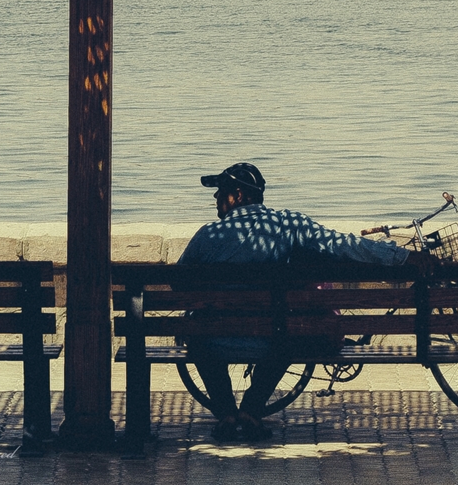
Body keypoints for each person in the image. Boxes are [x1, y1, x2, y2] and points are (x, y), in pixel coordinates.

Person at [177, 162, 432, 442]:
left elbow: (179, 284)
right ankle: (250, 410)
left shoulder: (207, 236)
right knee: (289, 328)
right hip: (273, 340)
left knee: (195, 330)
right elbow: (344, 244)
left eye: (220, 192)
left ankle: (226, 412)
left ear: (238, 196)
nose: (215, 198)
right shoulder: (289, 224)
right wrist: (403, 257)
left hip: (216, 340)